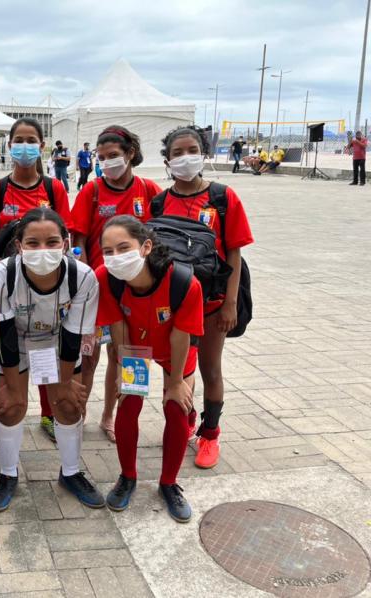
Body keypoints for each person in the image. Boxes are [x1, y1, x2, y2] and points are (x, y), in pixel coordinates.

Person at [0, 207, 104, 512]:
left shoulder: (83, 277)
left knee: (67, 404)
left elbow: (74, 334)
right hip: (15, 340)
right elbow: (4, 335)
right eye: (33, 243)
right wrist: (12, 388)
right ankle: (8, 474)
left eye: (52, 242)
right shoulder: (0, 276)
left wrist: (64, 384)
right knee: (11, 407)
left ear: (66, 242)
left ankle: (71, 472)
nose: (43, 250)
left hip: (57, 340)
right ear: (18, 245)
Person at [157, 125, 254, 469]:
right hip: (175, 306)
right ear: (167, 159)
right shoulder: (159, 202)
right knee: (178, 370)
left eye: (192, 150)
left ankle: (210, 434)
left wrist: (229, 303)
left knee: (210, 368)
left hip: (213, 305)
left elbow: (234, 254)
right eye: (177, 152)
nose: (185, 158)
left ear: (204, 152)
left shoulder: (222, 198)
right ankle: (186, 419)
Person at [96, 215, 203, 522]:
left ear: (145, 247)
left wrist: (176, 382)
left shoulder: (184, 282)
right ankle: (127, 476)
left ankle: (169, 484)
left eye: (123, 247)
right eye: (108, 251)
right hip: (135, 346)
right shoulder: (107, 277)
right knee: (128, 402)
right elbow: (118, 326)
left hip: (175, 349)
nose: (115, 257)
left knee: (176, 407)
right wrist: (121, 369)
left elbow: (182, 335)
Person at [0, 117, 73, 443]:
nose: (25, 146)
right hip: (9, 288)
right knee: (4, 351)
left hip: (50, 287)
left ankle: (49, 413)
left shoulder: (54, 189)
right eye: (19, 140)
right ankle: (2, 412)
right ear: (9, 145)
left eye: (32, 140)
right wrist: (13, 276)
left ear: (42, 146)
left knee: (46, 346)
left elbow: (65, 238)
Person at [69, 125, 162, 442]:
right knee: (89, 356)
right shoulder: (92, 191)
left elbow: (159, 237)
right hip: (98, 289)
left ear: (130, 154)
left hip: (136, 291)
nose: (107, 162)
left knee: (124, 356)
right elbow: (77, 238)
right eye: (102, 157)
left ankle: (112, 415)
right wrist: (83, 277)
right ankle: (77, 415)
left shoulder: (148, 189)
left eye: (113, 156)